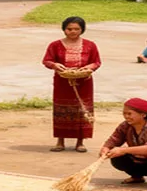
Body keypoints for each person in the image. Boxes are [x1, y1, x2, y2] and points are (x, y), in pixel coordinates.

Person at [42, 17, 102, 153]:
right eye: (69, 29)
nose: (73, 32)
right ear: (64, 29)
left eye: (76, 29)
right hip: (62, 83)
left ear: (82, 30)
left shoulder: (90, 45)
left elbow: (96, 62)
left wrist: (87, 69)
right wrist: (55, 65)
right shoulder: (55, 45)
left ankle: (80, 142)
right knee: (61, 110)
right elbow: (47, 60)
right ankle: (60, 141)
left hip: (84, 83)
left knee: (82, 110)